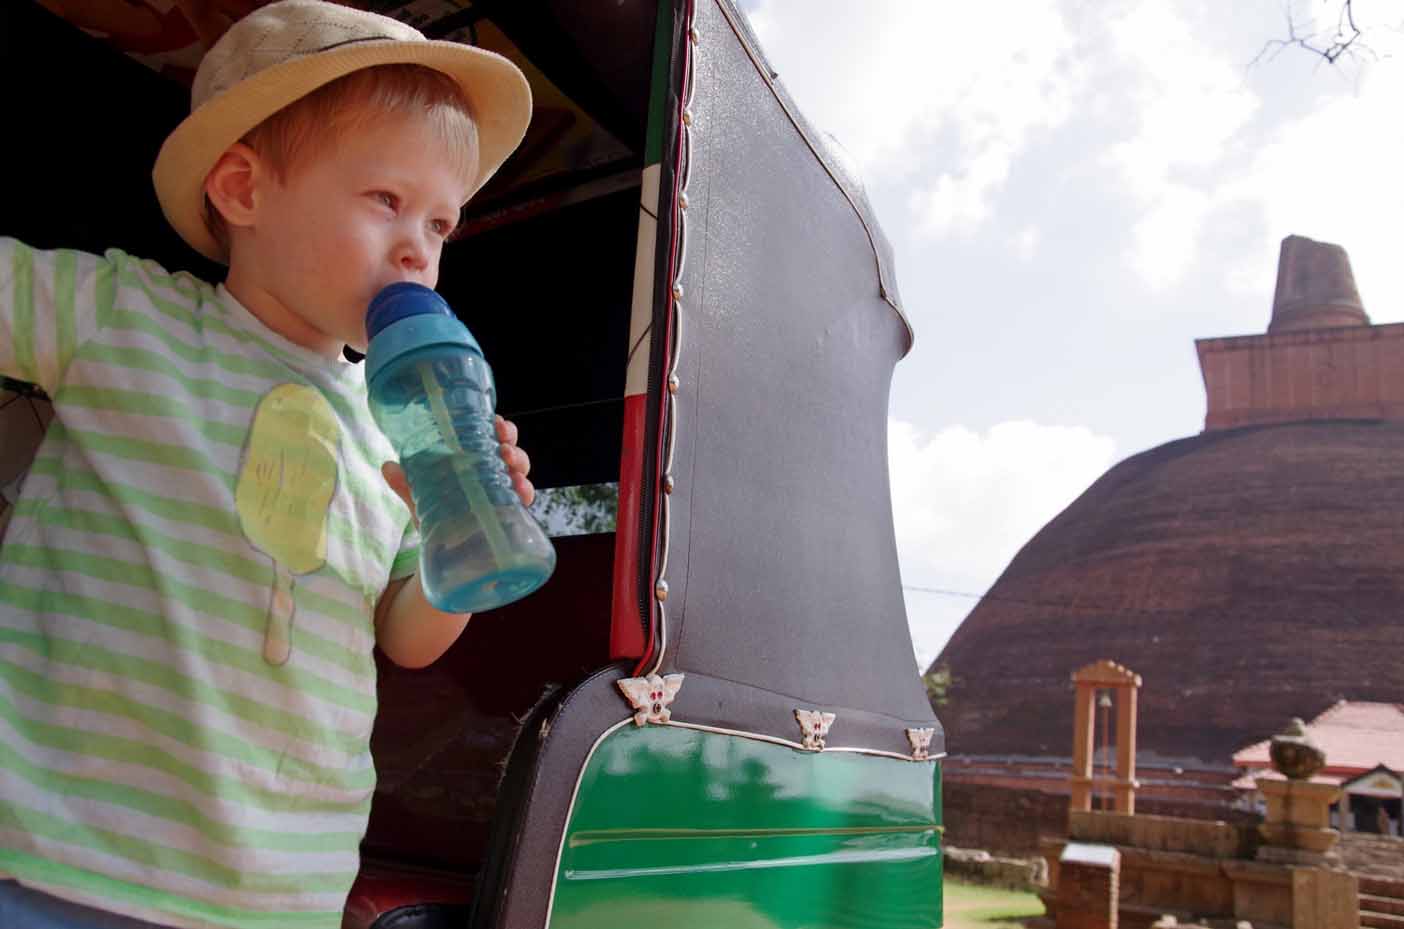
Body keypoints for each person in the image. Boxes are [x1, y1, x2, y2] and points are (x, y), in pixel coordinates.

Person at [0, 2, 536, 926]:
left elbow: (405, 636)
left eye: (442, 224)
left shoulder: (393, 426)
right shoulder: (126, 317)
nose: (420, 245)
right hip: (65, 849)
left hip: (278, 890)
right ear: (244, 191)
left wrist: (461, 538)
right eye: (386, 201)